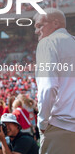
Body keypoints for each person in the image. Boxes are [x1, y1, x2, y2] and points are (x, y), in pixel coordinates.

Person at [34, 8, 75, 154]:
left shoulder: (48, 42)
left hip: (61, 125)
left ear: (55, 23)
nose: (36, 31)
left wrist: (42, 122)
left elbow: (48, 87)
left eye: (40, 25)